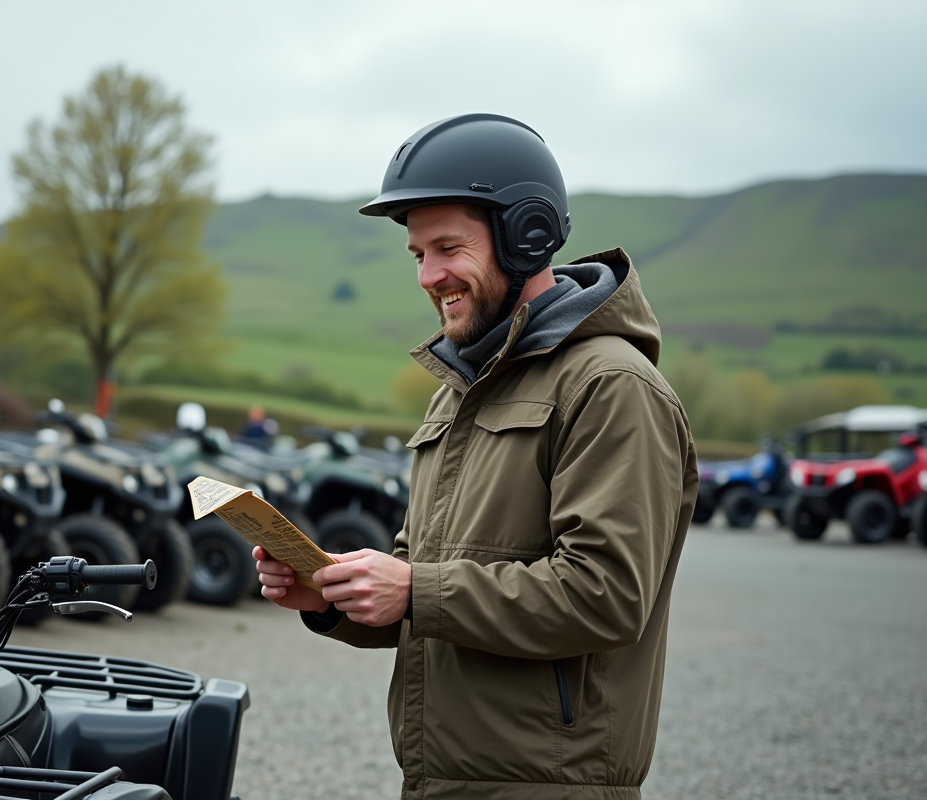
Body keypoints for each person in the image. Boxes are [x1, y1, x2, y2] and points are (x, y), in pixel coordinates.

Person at [254, 113, 697, 800]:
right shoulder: (459, 391)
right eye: (416, 255)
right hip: (440, 781)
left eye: (447, 248)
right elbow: (425, 592)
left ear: (527, 237)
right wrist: (332, 596)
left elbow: (607, 596)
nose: (429, 276)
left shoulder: (612, 386)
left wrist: (414, 591)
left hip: (549, 786)